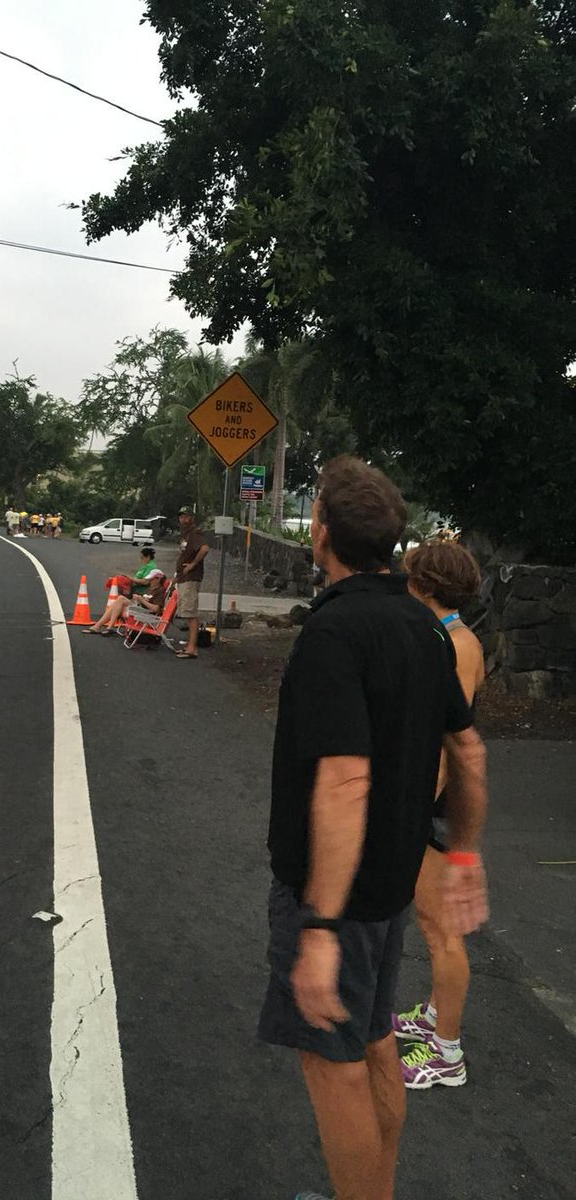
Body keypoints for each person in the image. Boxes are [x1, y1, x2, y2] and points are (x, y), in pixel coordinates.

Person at [258, 456, 488, 1200]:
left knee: (333, 1065)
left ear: (322, 531)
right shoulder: (424, 628)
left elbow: (345, 779)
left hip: (340, 898)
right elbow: (469, 750)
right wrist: (463, 852)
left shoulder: (335, 632)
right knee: (376, 1038)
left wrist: (320, 924)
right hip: (390, 885)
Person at [393, 540, 485, 1089]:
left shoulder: (457, 643)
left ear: (424, 585)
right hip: (433, 801)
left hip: (438, 806)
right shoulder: (443, 634)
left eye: (409, 577)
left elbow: (454, 740)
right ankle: (432, 1016)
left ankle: (447, 1052)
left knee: (439, 929)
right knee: (433, 925)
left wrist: (416, 808)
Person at [82, 568, 166, 635]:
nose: (149, 581)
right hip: (140, 608)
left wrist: (141, 600)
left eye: (151, 579)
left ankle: (103, 627)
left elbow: (156, 609)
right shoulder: (150, 589)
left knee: (121, 599)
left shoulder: (159, 591)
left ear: (158, 579)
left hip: (146, 613)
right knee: (120, 600)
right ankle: (102, 627)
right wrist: (137, 599)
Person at [173, 506, 208, 658]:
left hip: (191, 579)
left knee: (190, 613)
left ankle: (192, 648)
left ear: (192, 518)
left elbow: (205, 549)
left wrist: (193, 564)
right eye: (181, 517)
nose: (184, 519)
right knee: (186, 613)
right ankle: (189, 646)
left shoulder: (195, 533)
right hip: (182, 578)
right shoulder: (185, 535)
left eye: (186, 516)